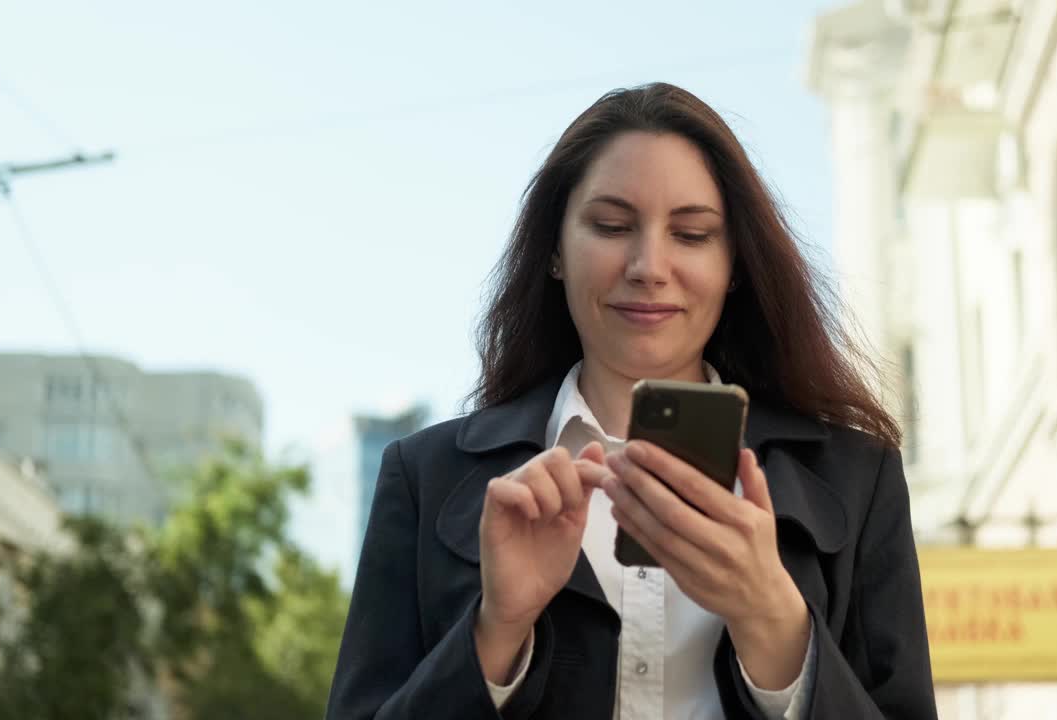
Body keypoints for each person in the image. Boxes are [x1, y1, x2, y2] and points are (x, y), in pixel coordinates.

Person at [325, 82, 937, 720]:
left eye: (692, 234)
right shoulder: (426, 477)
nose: (649, 265)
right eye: (612, 226)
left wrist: (774, 623)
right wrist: (496, 634)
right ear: (556, 251)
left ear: (734, 267)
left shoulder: (856, 475)